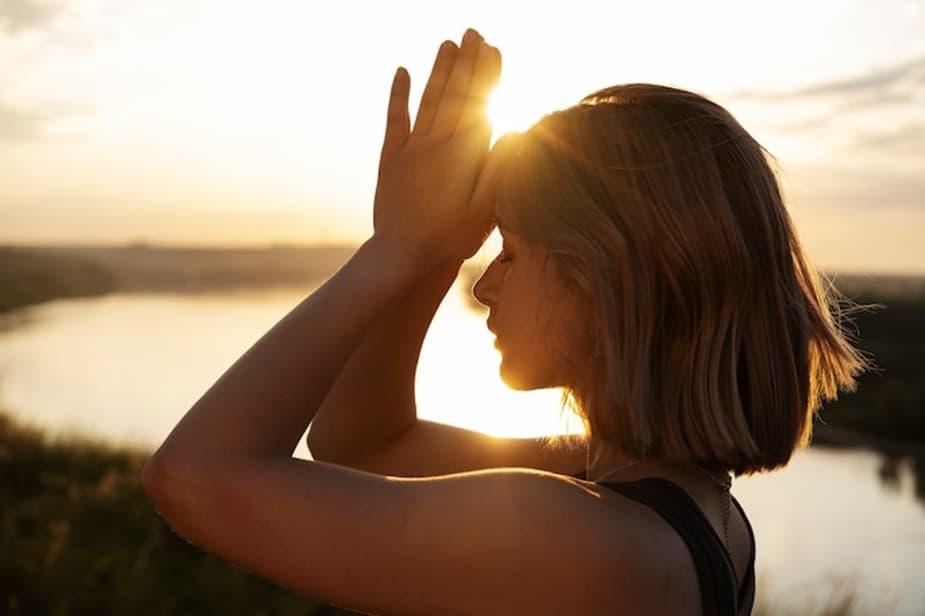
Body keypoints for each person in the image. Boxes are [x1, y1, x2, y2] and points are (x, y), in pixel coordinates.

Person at [142, 27, 864, 615]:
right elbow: (362, 444)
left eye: (511, 251)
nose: (483, 285)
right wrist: (428, 253)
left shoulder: (579, 539)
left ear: (607, 281)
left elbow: (196, 478)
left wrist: (393, 250)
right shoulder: (672, 504)